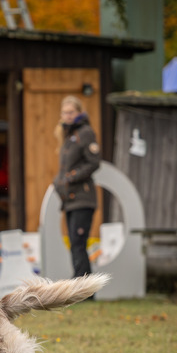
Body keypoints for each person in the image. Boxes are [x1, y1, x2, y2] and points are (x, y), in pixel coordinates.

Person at [53, 95, 100, 278]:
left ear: (79, 112)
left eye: (71, 112)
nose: (68, 116)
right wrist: (58, 182)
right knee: (74, 243)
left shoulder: (85, 133)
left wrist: (71, 177)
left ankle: (83, 287)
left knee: (79, 243)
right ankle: (81, 284)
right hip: (70, 200)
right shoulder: (68, 136)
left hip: (83, 198)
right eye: (65, 112)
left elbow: (94, 162)